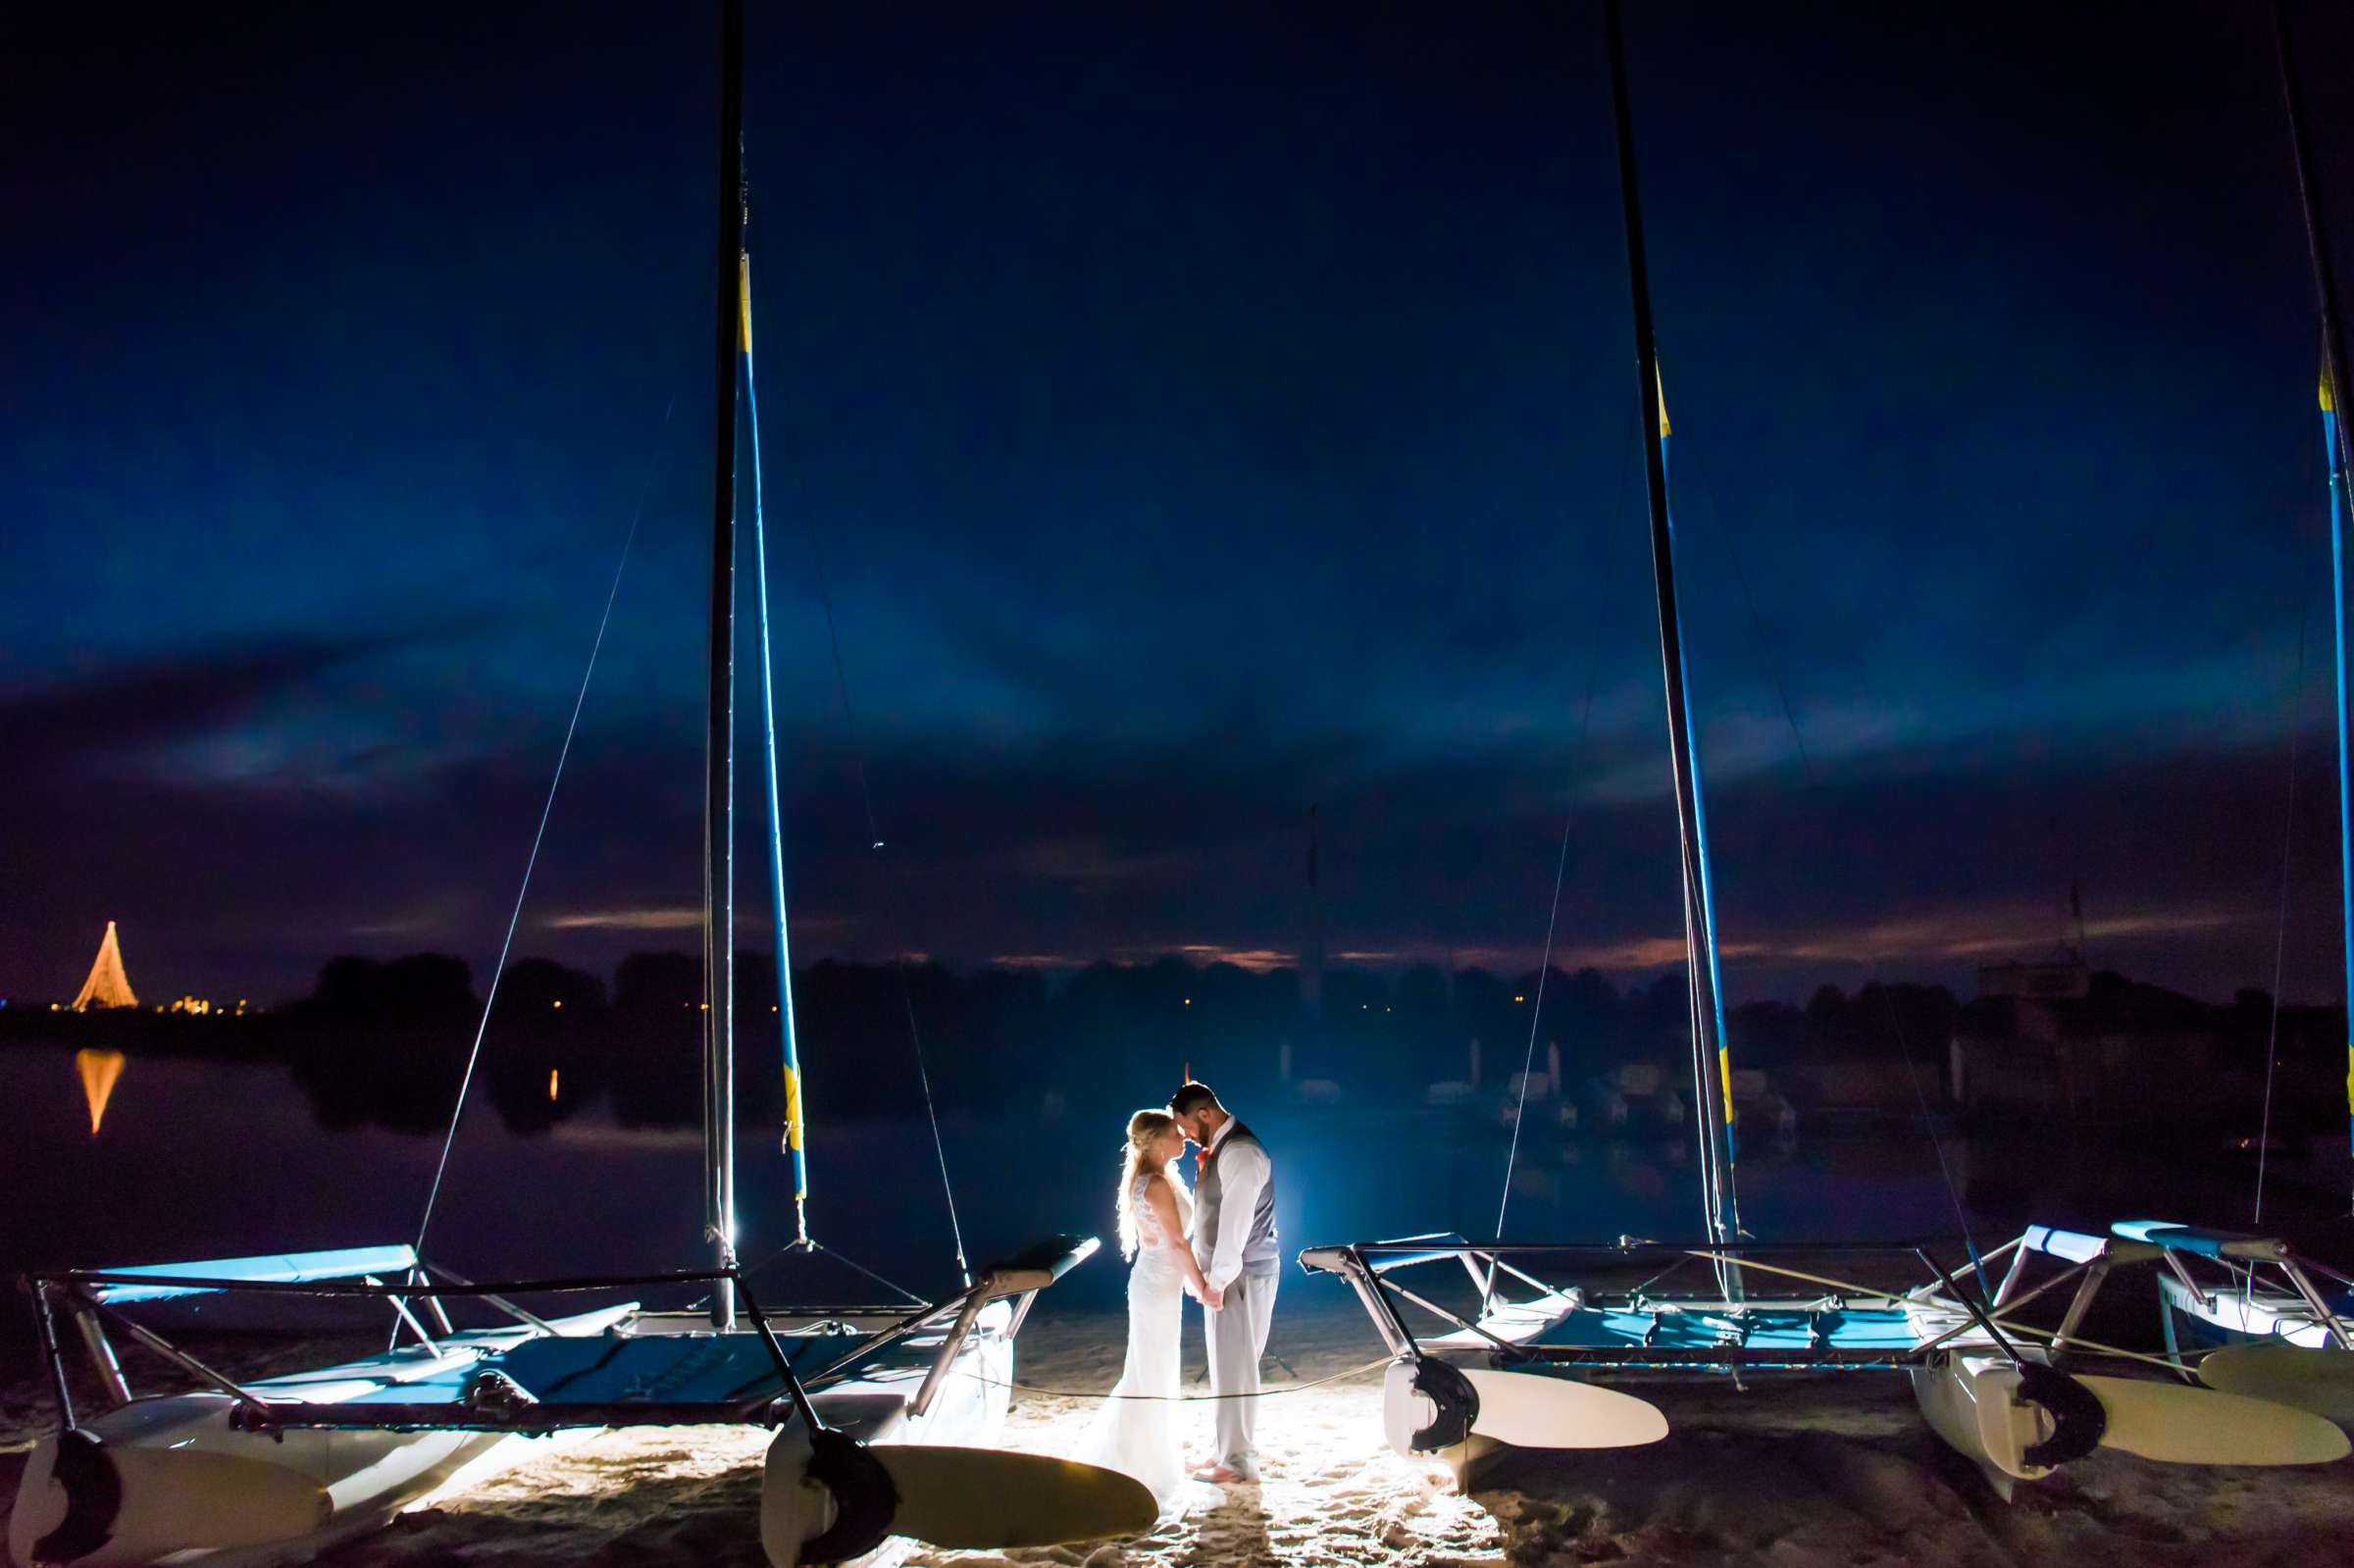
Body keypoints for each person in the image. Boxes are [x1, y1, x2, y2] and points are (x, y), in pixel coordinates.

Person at [1082, 1108, 1214, 1508]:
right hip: (1156, 1286)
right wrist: (1202, 1286)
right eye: (1177, 1133)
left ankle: (1149, 1455)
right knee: (1152, 1371)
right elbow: (1176, 1243)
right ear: (1157, 1142)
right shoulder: (1154, 1183)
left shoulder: (1158, 1178)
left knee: (1150, 1369)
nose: (1184, 1137)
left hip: (1155, 1283)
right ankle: (1145, 1464)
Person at [1167, 1080, 1277, 1484]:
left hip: (1242, 1273)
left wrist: (1216, 1281)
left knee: (1237, 1368)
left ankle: (1238, 1462)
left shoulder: (1242, 1153)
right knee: (1227, 1366)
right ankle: (1224, 1451)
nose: (1187, 1137)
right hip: (1228, 1274)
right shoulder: (1222, 1151)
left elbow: (1235, 1226)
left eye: (1187, 1128)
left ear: (1204, 1114)